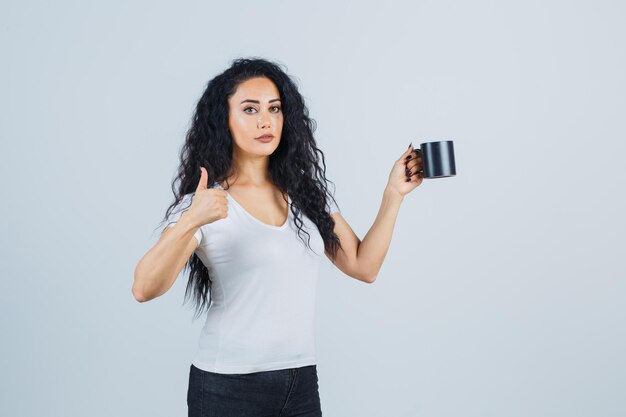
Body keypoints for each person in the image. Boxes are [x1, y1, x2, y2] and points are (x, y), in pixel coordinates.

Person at [132, 57, 423, 417]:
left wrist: (392, 195)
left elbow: (364, 266)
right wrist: (192, 221)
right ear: (224, 120)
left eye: (274, 109)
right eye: (250, 109)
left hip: (300, 382)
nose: (266, 120)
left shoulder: (305, 193)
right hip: (229, 387)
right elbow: (144, 288)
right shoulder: (206, 202)